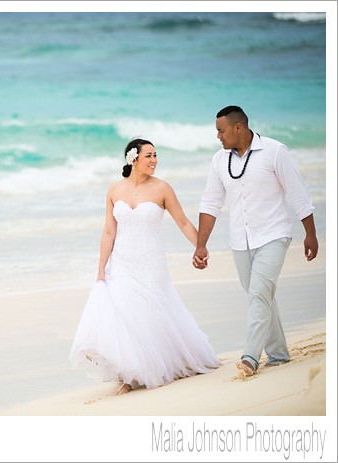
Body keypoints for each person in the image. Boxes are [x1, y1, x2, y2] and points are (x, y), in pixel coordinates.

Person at [70, 139, 220, 395]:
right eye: (149, 156)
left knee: (151, 314)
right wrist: (101, 268)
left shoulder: (162, 189)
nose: (154, 160)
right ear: (134, 159)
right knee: (126, 315)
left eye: (155, 155)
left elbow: (183, 222)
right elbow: (108, 231)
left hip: (151, 262)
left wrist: (200, 247)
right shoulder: (115, 190)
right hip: (122, 261)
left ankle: (155, 366)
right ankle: (129, 374)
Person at [192, 105, 317, 378]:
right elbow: (211, 203)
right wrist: (201, 245)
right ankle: (280, 354)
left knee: (259, 293)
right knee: (260, 295)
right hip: (240, 240)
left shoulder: (275, 151)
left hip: (274, 234)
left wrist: (310, 233)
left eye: (221, 131)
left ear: (238, 127)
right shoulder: (219, 161)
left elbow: (297, 193)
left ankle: (250, 357)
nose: (218, 137)